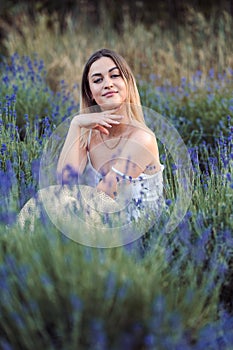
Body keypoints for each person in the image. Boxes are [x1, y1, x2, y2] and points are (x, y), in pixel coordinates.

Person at [18, 48, 164, 248]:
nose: (108, 84)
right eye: (98, 80)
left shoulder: (142, 139)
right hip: (101, 220)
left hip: (136, 237)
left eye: (115, 75)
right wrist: (76, 123)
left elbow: (106, 195)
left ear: (128, 84)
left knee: (55, 208)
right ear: (90, 93)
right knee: (46, 200)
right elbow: (65, 183)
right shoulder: (90, 135)